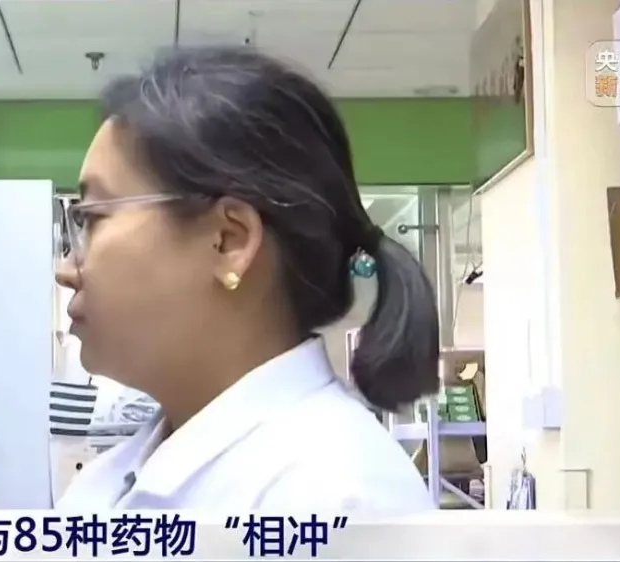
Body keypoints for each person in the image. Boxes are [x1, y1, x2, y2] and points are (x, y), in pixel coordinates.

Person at [54, 46, 440, 512]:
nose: (65, 270)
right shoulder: (109, 479)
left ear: (228, 241)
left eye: (92, 217)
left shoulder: (339, 496)